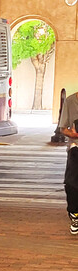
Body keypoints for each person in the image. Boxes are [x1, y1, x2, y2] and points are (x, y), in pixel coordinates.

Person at [58, 90, 78, 235]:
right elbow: (63, 128)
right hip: (75, 147)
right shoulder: (71, 101)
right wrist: (72, 133)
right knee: (71, 183)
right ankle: (75, 214)